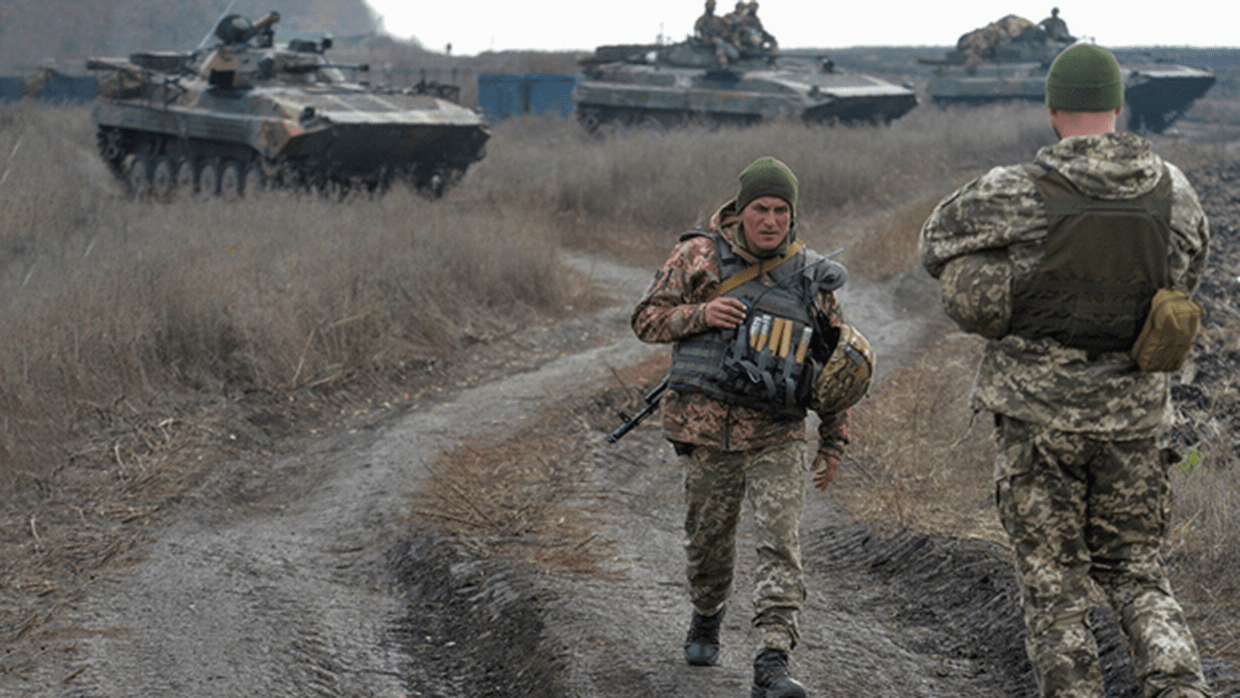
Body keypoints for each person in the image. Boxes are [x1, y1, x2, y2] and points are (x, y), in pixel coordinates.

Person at [919, 44, 1212, 698]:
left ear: (1053, 111)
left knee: (1054, 588)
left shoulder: (1016, 189)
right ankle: (1181, 687)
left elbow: (934, 244)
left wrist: (1004, 279)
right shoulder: (1177, 192)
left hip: (1036, 421)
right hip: (1134, 421)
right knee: (1138, 574)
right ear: (1117, 105)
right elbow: (1184, 281)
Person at [632, 157, 870, 698]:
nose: (770, 221)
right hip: (706, 429)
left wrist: (834, 438)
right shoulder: (697, 256)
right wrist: (700, 316)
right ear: (740, 211)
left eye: (781, 211)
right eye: (760, 209)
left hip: (777, 431)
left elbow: (835, 366)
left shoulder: (811, 276)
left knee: (780, 543)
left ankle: (772, 660)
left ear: (792, 215)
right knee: (708, 545)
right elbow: (645, 318)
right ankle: (707, 611)